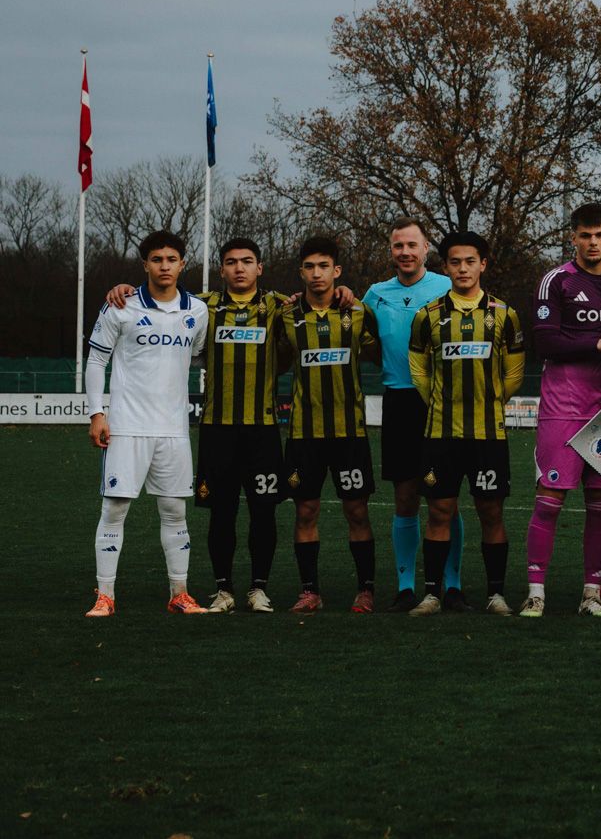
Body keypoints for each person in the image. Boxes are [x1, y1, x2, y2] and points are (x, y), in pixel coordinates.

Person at [106, 237, 288, 612]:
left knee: (263, 511)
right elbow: (160, 300)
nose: (240, 268)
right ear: (220, 269)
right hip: (217, 428)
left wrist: (345, 294)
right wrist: (123, 289)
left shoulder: (279, 306)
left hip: (263, 428)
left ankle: (258, 588)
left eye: (248, 261)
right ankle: (223, 590)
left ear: (260, 268)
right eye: (232, 262)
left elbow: (318, 302)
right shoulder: (202, 307)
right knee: (220, 511)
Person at [83, 230, 211, 617]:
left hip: (174, 429)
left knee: (175, 511)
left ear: (183, 263)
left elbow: (201, 357)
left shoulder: (197, 311)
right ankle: (105, 596)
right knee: (115, 509)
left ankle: (180, 593)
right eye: (157, 259)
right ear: (145, 265)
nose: (165, 266)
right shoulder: (120, 305)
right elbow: (95, 361)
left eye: (172, 259)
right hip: (126, 427)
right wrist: (97, 414)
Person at [523, 203, 601, 618]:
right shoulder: (555, 281)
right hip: (563, 405)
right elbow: (546, 343)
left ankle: (593, 591)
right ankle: (535, 591)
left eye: (600, 235)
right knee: (549, 499)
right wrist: (599, 343)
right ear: (573, 237)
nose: (593, 243)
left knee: (600, 503)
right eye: (584, 235)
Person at [407, 231, 527, 616]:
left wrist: (488, 401)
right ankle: (432, 593)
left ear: (483, 265)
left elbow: (513, 374)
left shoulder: (504, 315)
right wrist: (442, 402)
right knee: (439, 512)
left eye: (470, 261)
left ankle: (495, 594)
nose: (462, 268)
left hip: (488, 434)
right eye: (455, 262)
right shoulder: (427, 316)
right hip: (440, 433)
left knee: (491, 513)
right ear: (446, 266)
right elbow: (419, 372)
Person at [272, 236, 381, 613]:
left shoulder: (359, 312)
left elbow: (379, 353)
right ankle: (310, 591)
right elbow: (279, 361)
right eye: (309, 267)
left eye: (324, 267)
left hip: (350, 431)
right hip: (304, 432)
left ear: (336, 271)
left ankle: (365, 590)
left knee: (357, 511)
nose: (316, 274)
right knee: (305, 511)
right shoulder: (285, 315)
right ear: (300, 271)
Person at [360, 220, 457, 612]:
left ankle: (451, 585)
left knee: (444, 498)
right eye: (398, 245)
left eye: (412, 244)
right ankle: (404, 587)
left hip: (441, 402)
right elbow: (360, 338)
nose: (405, 252)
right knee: (404, 497)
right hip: (398, 401)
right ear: (391, 251)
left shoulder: (446, 286)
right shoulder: (374, 294)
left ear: (426, 248)